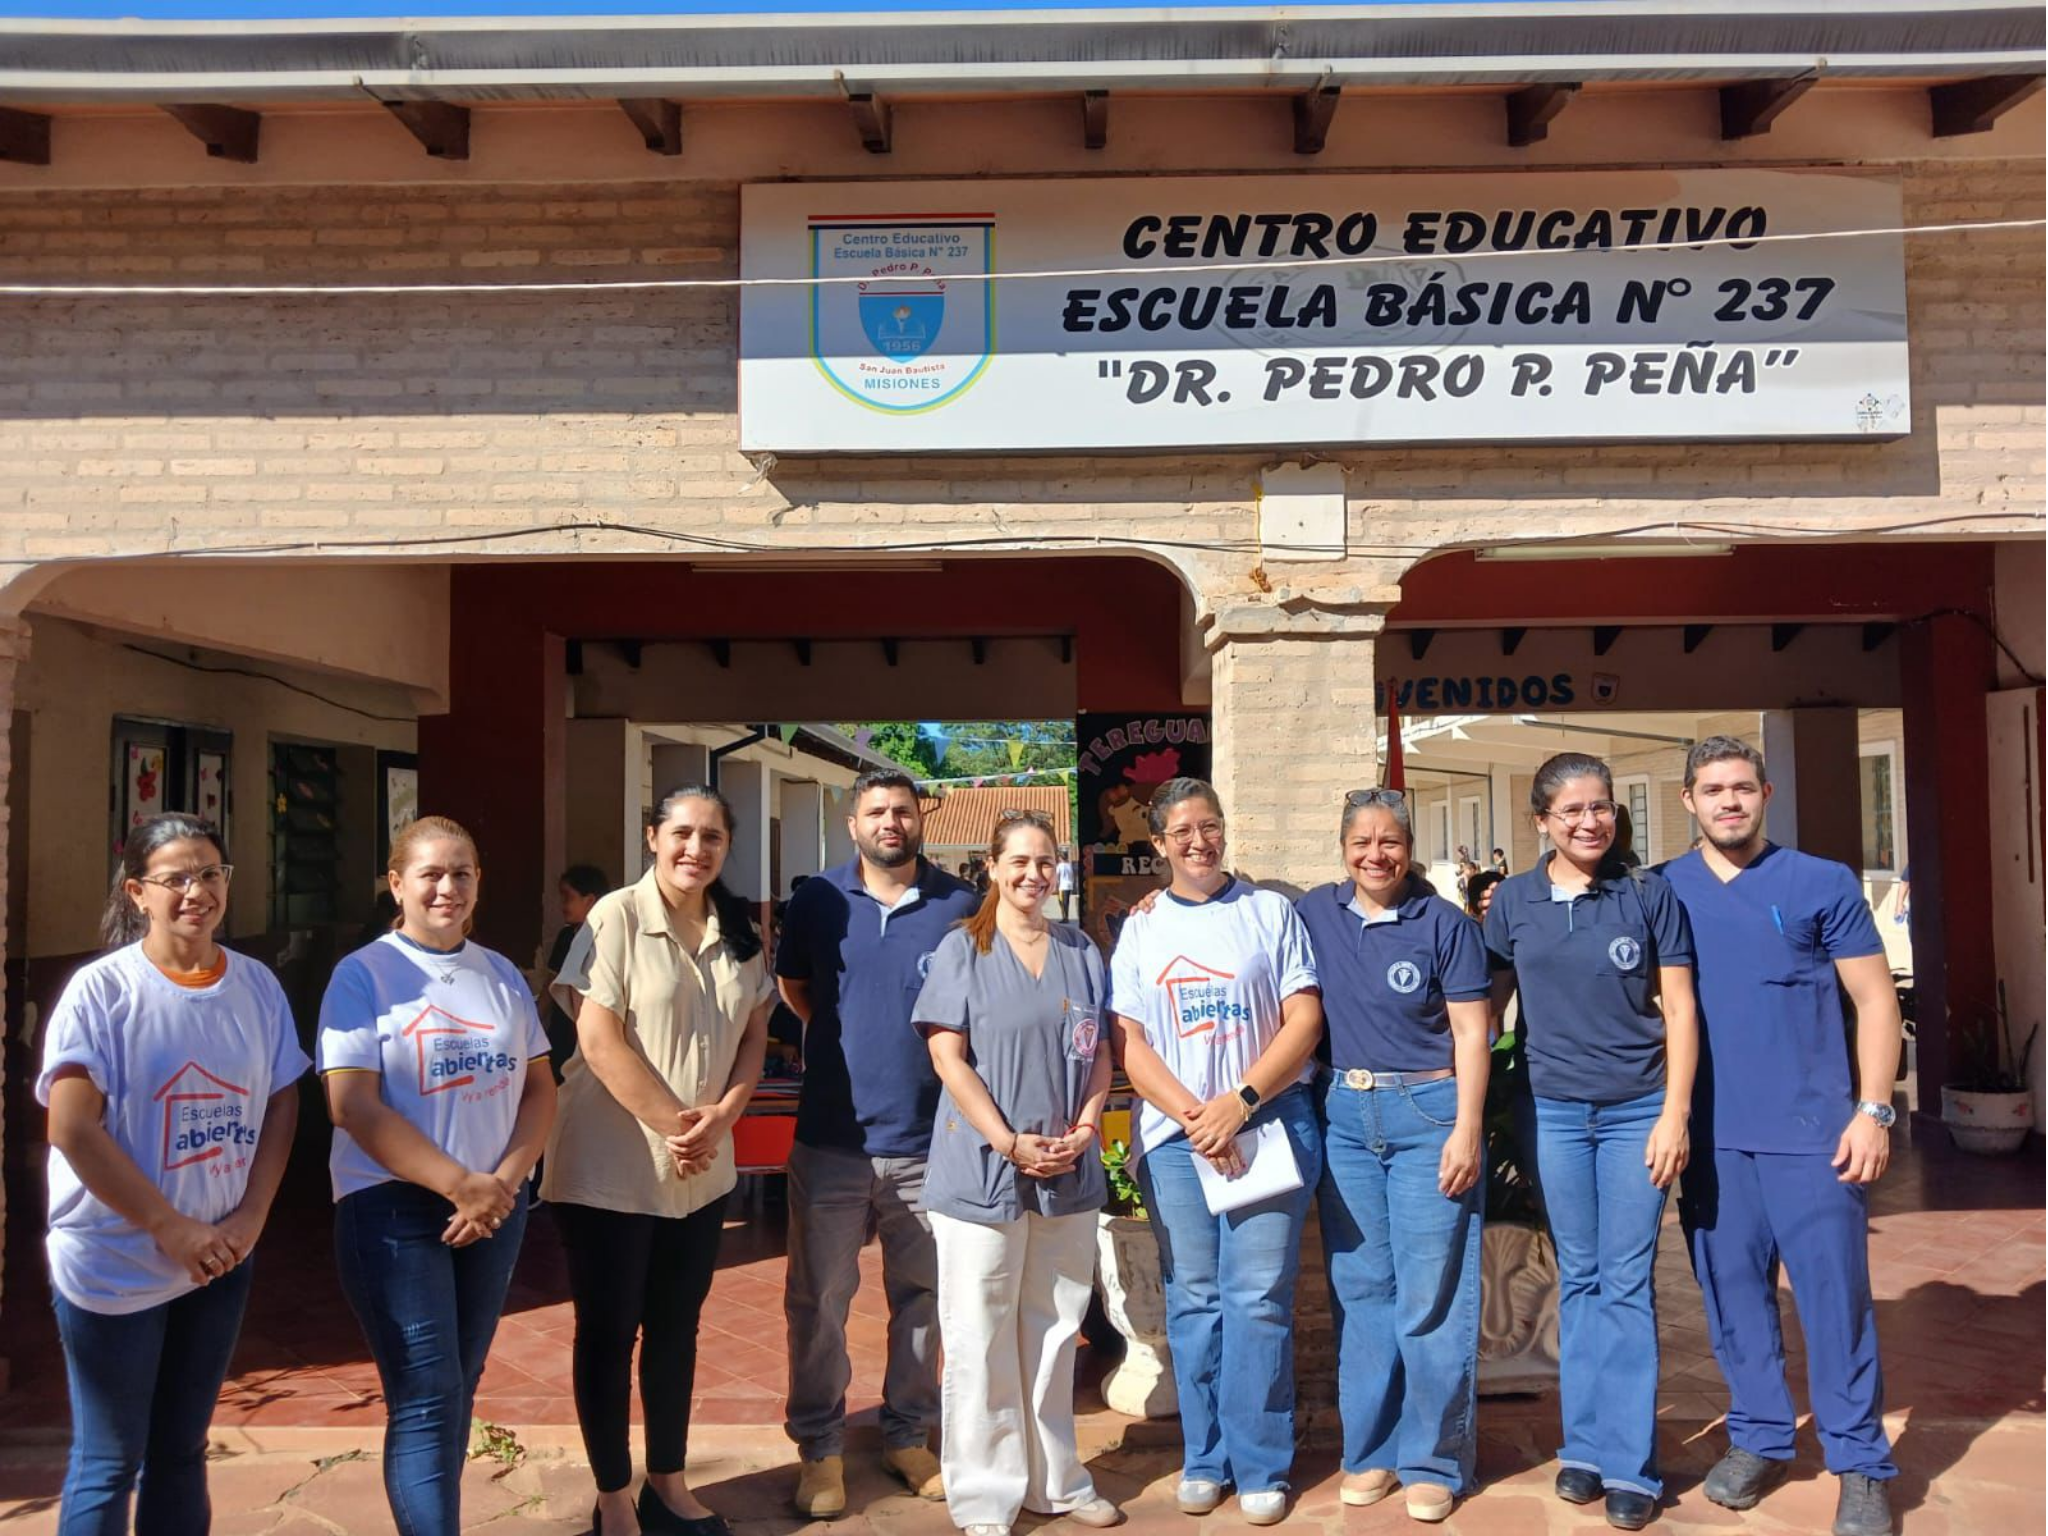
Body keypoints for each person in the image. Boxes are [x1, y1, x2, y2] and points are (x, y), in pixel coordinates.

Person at [1662, 737, 1903, 1536]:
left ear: (1765, 794)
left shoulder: (1820, 882)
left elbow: (1875, 1001)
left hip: (1815, 1136)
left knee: (1836, 1303)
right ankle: (1761, 1438)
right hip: (1713, 1138)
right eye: (1712, 790)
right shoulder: (1663, 890)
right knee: (1733, 1299)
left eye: (1742, 787)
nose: (1728, 802)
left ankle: (1860, 1464)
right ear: (1688, 800)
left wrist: (1873, 1110)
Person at [39, 814, 307, 1535]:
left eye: (211, 873)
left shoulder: (256, 986)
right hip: (116, 1260)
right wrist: (169, 1226)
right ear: (138, 893)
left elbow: (282, 1099)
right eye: (177, 878)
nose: (197, 891)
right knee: (110, 1457)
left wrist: (250, 1216)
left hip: (219, 1260)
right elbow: (71, 1127)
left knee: (181, 1451)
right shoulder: (102, 992)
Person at [543, 787, 777, 1536]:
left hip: (700, 1172)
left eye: (712, 837)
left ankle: (668, 1485)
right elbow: (597, 1038)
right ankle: (614, 1495)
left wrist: (725, 1115)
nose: (695, 849)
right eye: (681, 833)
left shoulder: (738, 929)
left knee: (677, 1330)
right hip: (612, 1168)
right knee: (609, 1334)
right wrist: (680, 1127)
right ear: (653, 837)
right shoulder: (614, 917)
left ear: (726, 846)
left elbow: (754, 1034)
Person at [319, 816, 558, 1536]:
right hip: (392, 1209)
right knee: (426, 1395)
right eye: (430, 874)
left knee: (457, 1387)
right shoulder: (363, 975)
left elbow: (540, 1088)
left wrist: (503, 1182)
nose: (447, 888)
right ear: (397, 885)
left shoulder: (502, 976)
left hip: (492, 1208)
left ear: (478, 882)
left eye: (461, 873)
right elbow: (351, 1104)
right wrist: (460, 1184)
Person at [1482, 754, 1697, 1533]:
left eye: (1600, 807)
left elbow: (1681, 1008)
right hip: (1554, 1113)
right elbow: (1485, 1006)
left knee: (1626, 1280)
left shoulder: (1647, 894)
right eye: (1571, 810)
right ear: (1542, 820)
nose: (1589, 822)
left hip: (1638, 1111)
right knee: (1579, 1278)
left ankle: (1631, 1464)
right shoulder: (1514, 900)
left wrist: (1675, 1114)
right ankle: (1584, 1447)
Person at [1107, 778, 1324, 1526]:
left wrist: (1241, 1103)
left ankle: (1262, 1462)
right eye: (1182, 832)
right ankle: (1206, 1457)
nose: (1199, 842)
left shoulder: (1269, 913)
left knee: (1257, 1299)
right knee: (1194, 1297)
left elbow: (1304, 1019)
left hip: (1266, 1124)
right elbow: (1131, 1044)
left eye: (1211, 826)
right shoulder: (1141, 929)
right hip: (1176, 1139)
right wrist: (1199, 1117)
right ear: (1159, 844)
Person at [776, 770, 979, 1516]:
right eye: (875, 812)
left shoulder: (961, 904)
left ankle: (907, 1436)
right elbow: (799, 991)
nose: (890, 822)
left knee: (924, 1301)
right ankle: (820, 1449)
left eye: (901, 810)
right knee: (818, 1302)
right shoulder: (817, 901)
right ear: (852, 822)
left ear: (920, 819)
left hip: (930, 1141)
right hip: (833, 1139)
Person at [914, 810, 1122, 1536]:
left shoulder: (1080, 951)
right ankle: (985, 1496)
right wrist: (1007, 1141)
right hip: (983, 1170)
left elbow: (1100, 1052)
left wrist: (1087, 1129)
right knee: (980, 1335)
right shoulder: (961, 950)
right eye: (1020, 861)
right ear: (992, 868)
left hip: (1067, 1169)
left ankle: (1056, 1482)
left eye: (1045, 861)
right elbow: (947, 1058)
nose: (1034, 874)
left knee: (1057, 1329)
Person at [1294, 790, 1491, 1523]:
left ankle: (1434, 1458)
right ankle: (1370, 1451)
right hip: (1344, 1116)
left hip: (1428, 1114)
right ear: (1343, 847)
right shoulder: (1314, 912)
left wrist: (1467, 1128)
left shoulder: (1444, 925)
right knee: (1362, 1290)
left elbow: (1472, 1033)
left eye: (1390, 842)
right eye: (1362, 842)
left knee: (1430, 1294)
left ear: (1408, 848)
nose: (1375, 855)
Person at [543, 865, 611, 1079]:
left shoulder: (608, 938)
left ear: (589, 900)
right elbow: (550, 983)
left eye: (568, 897)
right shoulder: (566, 937)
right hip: (562, 1030)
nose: (562, 905)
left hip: (595, 1030)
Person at [1055, 845, 1078, 922]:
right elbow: (1072, 875)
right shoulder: (1069, 865)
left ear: (1061, 858)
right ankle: (1066, 916)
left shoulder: (1060, 866)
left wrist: (1057, 884)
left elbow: (1057, 876)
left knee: (1061, 901)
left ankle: (1065, 917)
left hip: (1063, 886)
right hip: (1069, 885)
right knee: (1067, 901)